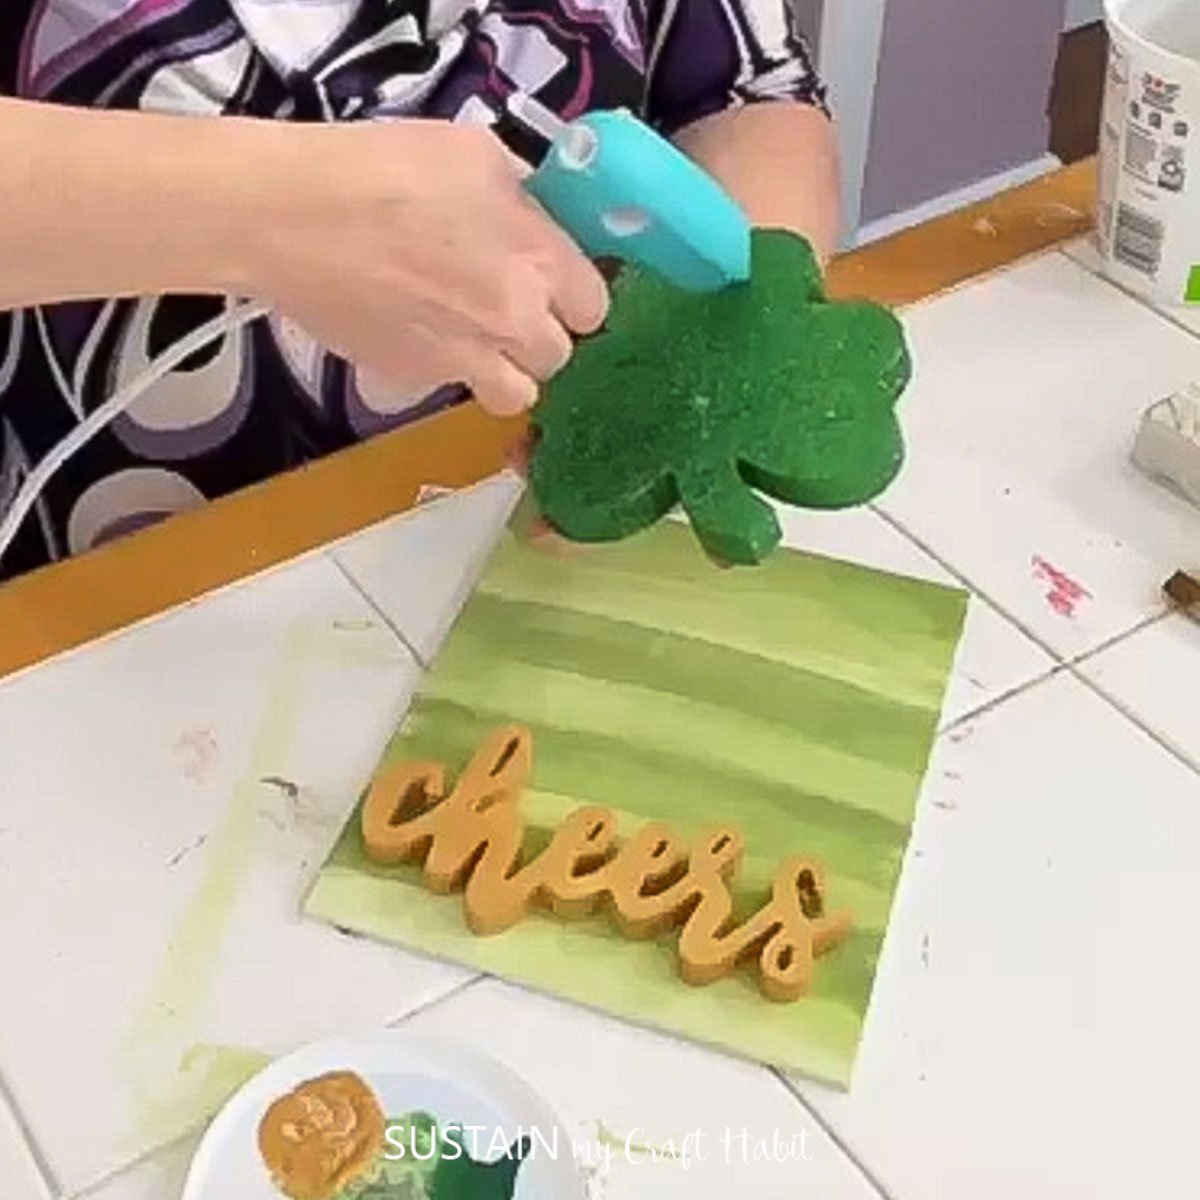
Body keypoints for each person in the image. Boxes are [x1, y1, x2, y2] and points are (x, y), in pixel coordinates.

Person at [0, 0, 838, 578]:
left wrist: (710, 380)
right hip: (112, 604)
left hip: (498, 565)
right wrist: (275, 214)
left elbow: (751, 90)